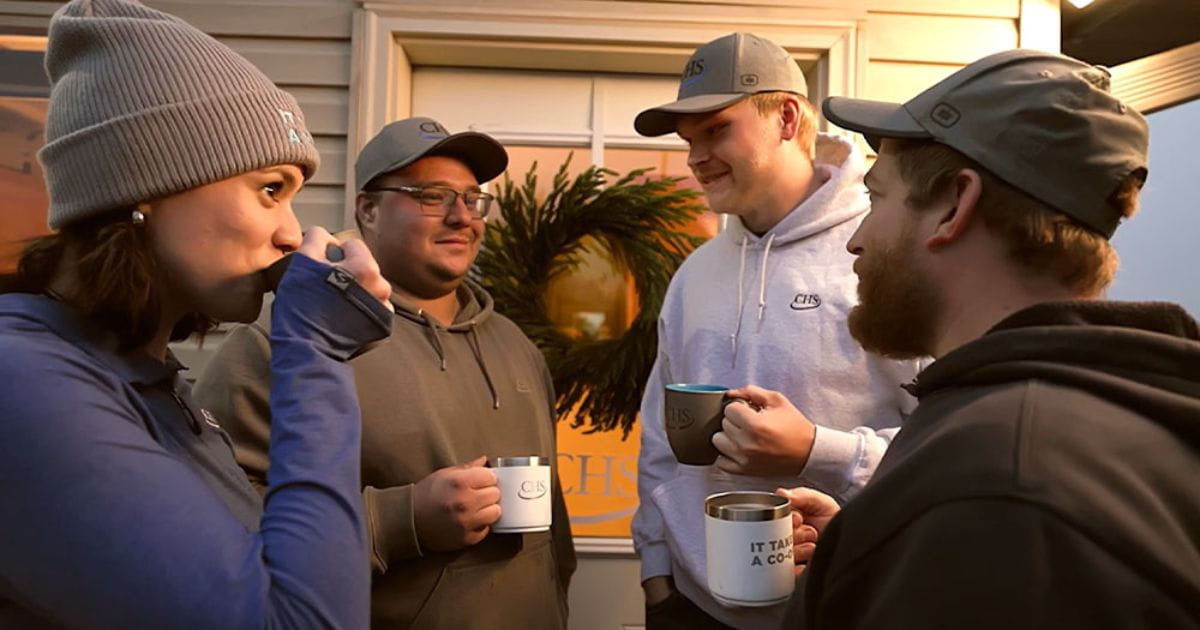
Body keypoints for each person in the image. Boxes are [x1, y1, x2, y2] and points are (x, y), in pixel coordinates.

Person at [770, 48, 1200, 628]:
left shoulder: (997, 487)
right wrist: (874, 545)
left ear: (954, 205)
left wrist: (941, 523)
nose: (856, 240)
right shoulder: (1098, 418)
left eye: (878, 197)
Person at [0, 1, 394, 627]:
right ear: (144, 184)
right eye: (271, 189)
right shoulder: (26, 384)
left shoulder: (145, 379)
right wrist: (314, 352)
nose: (293, 234)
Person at [193, 116, 577, 629]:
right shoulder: (283, 344)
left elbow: (554, 528)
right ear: (368, 210)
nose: (463, 216)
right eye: (433, 196)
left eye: (473, 198)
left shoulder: (515, 343)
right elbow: (223, 528)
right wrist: (404, 520)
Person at [630, 32, 924, 629]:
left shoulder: (882, 254)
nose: (695, 157)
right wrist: (656, 573)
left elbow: (947, 440)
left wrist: (819, 450)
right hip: (693, 606)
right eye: (689, 141)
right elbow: (661, 438)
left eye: (716, 130)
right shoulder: (696, 273)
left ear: (787, 117)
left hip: (848, 603)